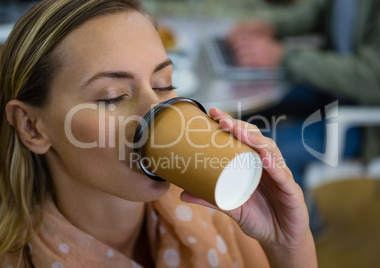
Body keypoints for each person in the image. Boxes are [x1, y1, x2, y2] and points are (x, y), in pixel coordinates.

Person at [0, 0, 317, 267]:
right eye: (112, 96)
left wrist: (288, 245)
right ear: (31, 126)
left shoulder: (213, 209)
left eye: (163, 84)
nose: (158, 111)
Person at [227, 0, 380, 186]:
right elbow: (319, 11)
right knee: (241, 117)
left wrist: (284, 56)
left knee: (270, 152)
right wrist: (270, 25)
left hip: (371, 120)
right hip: (332, 90)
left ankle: (292, 214)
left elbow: (374, 78)